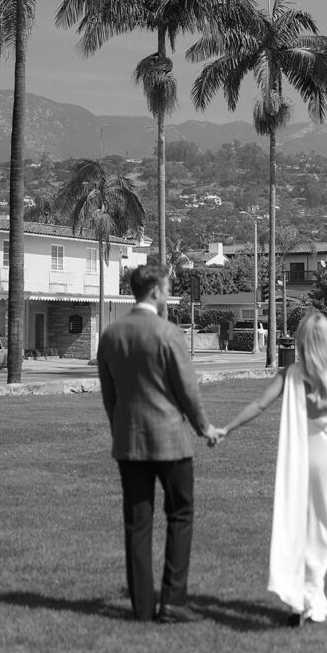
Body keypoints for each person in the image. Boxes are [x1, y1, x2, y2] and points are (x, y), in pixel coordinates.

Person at [215, 311, 327, 626]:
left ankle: (300, 601)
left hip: (299, 461)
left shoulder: (292, 374)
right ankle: (312, 597)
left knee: (297, 525)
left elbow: (259, 405)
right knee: (322, 531)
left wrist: (227, 428)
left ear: (302, 343)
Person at [97, 263, 218, 624]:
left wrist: (120, 429)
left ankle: (142, 608)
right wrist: (204, 427)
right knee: (181, 515)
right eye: (166, 288)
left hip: (130, 442)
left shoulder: (111, 335)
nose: (168, 294)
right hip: (171, 442)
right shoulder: (168, 333)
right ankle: (174, 601)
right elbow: (187, 391)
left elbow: (110, 396)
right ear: (154, 291)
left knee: (137, 523)